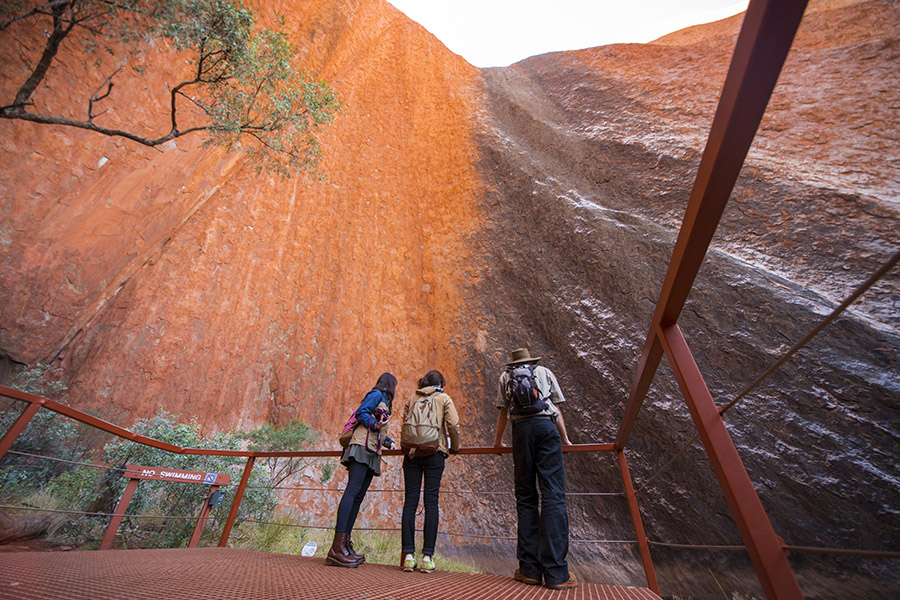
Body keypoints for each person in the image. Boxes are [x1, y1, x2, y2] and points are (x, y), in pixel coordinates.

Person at [493, 348, 577, 590]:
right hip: (546, 428)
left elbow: (502, 412)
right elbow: (556, 409)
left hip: (521, 431)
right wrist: (566, 439)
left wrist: (498, 442)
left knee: (526, 497)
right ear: (530, 361)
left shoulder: (505, 376)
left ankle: (529, 569)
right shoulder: (545, 372)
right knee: (553, 495)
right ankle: (557, 573)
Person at [326, 372, 397, 568]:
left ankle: (345, 545)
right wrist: (375, 424)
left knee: (358, 497)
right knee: (352, 491)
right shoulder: (376, 394)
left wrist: (388, 441)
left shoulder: (384, 401)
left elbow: (376, 425)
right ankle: (336, 549)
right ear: (391, 385)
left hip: (372, 450)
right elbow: (361, 413)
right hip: (360, 447)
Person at [399, 370, 461, 573]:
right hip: (435, 452)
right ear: (441, 383)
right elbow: (453, 424)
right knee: (431, 502)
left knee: (410, 502)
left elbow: (404, 422)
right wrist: (455, 447)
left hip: (412, 453)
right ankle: (427, 557)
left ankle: (408, 556)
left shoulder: (412, 397)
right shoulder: (443, 398)